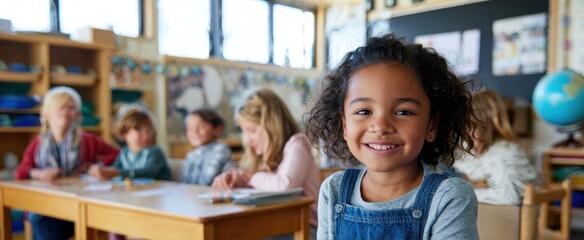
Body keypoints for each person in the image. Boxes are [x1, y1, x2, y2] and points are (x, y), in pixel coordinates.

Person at [303, 33, 479, 239]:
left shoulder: (449, 197)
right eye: (363, 111)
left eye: (403, 112)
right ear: (344, 124)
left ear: (432, 125)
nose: (380, 126)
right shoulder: (333, 190)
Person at [211, 87, 320, 239]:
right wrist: (236, 178)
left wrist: (250, 177)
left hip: (306, 229)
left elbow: (285, 184)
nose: (248, 140)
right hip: (275, 225)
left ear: (271, 125)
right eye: (245, 132)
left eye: (252, 130)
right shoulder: (264, 156)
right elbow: (259, 183)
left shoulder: (297, 144)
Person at [14, 86, 120, 240]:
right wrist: (39, 173)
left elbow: (116, 154)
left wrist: (95, 168)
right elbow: (21, 172)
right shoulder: (37, 144)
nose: (67, 112)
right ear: (47, 112)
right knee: (40, 217)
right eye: (63, 107)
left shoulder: (87, 140)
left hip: (75, 205)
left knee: (42, 220)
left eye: (72, 108)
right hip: (46, 203)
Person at [453, 88, 537, 205]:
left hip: (512, 218)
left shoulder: (501, 156)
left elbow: (508, 198)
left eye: (470, 128)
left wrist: (462, 193)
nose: (465, 141)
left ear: (488, 126)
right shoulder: (482, 152)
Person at [88, 105, 171, 181]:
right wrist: (100, 170)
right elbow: (113, 168)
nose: (146, 134)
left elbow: (148, 172)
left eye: (150, 129)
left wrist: (116, 173)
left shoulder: (156, 152)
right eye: (139, 130)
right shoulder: (125, 153)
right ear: (124, 133)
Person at [182, 107, 235, 185]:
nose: (195, 131)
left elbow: (207, 181)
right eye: (190, 128)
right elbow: (185, 182)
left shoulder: (221, 150)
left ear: (218, 129)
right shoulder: (191, 155)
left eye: (201, 127)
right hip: (195, 194)